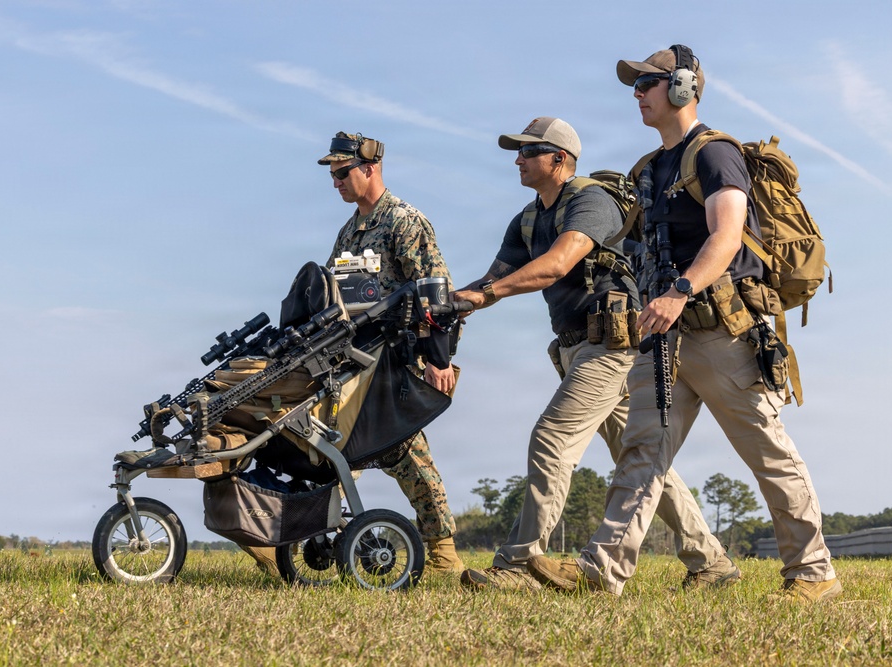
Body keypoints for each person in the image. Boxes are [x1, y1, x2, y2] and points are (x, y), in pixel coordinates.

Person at [525, 46, 841, 603]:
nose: (637, 94)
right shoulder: (648, 169)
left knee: (768, 451)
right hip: (663, 336)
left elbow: (725, 235)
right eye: (636, 86)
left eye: (646, 84)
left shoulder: (715, 155)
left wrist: (678, 291)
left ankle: (813, 573)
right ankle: (603, 572)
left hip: (722, 330)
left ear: (681, 87)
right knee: (642, 451)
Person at [452, 117, 735, 590]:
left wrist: (487, 294)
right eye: (517, 151)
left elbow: (557, 264)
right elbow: (490, 281)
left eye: (528, 151)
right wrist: (446, 301)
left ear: (558, 159)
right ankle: (711, 561)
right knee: (638, 457)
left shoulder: (591, 201)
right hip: (576, 349)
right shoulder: (526, 218)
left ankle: (520, 565)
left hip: (611, 348)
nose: (517, 159)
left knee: (552, 437)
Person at [243, 132, 464, 575]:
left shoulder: (405, 221)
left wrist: (439, 359)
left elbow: (438, 296)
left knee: (403, 451)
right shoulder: (349, 231)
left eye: (342, 172)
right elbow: (330, 296)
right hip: (351, 363)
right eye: (331, 174)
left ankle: (442, 552)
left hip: (397, 361)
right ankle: (288, 535)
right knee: (332, 449)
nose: (335, 181)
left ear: (370, 167)